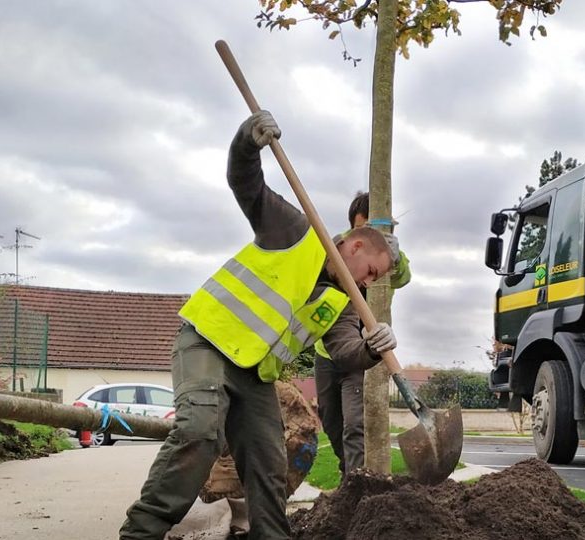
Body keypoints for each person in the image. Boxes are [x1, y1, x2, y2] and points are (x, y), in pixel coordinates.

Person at [119, 110, 401, 540]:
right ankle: (141, 532)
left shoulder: (342, 301)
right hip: (208, 342)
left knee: (270, 464)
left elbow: (345, 351)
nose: (368, 283)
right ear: (357, 244)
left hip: (253, 375)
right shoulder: (296, 231)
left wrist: (372, 348)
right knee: (200, 428)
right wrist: (247, 140)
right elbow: (244, 182)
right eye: (371, 272)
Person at [314, 191, 411, 478]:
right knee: (330, 421)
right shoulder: (342, 249)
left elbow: (403, 277)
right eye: (362, 227)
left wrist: (392, 254)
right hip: (328, 352)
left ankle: (356, 483)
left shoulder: (389, 258)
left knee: (355, 424)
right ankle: (350, 474)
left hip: (366, 354)